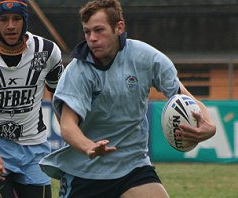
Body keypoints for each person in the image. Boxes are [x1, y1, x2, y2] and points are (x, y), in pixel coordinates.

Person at [39, 0, 216, 198]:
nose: (92, 38)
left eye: (99, 30)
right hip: (86, 171)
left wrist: (209, 124)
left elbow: (183, 96)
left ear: (119, 27)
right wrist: (89, 146)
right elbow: (67, 126)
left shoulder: (145, 57)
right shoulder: (78, 71)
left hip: (133, 166)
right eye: (87, 32)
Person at [0, 0, 64, 197]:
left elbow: (60, 99)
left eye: (16, 19)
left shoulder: (48, 51)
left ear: (25, 20)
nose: (10, 26)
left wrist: (71, 138)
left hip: (34, 148)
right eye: (3, 19)